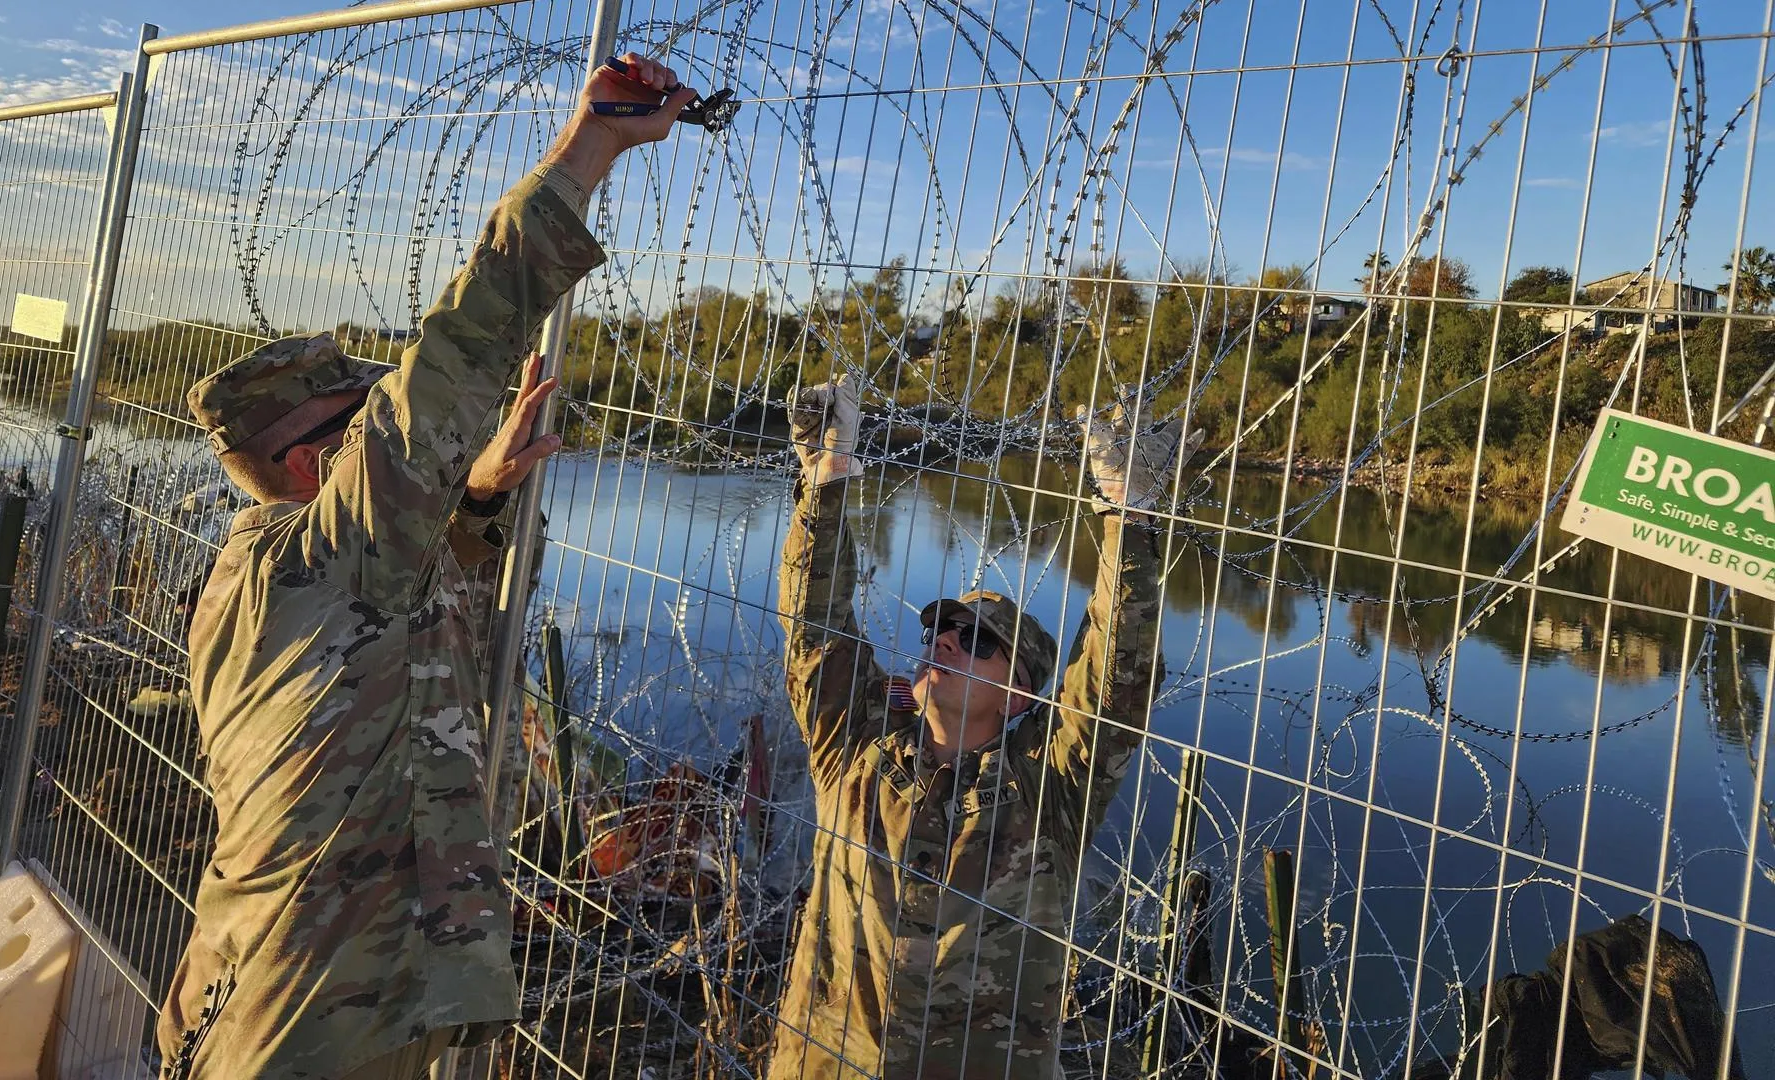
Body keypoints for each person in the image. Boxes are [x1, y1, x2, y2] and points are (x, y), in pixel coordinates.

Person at [156, 55, 698, 1080]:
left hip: (276, 990)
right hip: (316, 1021)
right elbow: (461, 344)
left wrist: (480, 496)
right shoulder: (331, 551)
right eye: (369, 428)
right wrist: (592, 147)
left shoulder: (274, 567)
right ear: (318, 465)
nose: (395, 440)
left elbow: (386, 630)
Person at [768, 374, 1201, 1080]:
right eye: (941, 628)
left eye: (976, 641)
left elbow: (1115, 681)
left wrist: (1131, 514)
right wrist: (826, 483)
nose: (944, 640)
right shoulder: (856, 749)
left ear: (1018, 695)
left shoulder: (1046, 792)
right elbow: (815, 635)